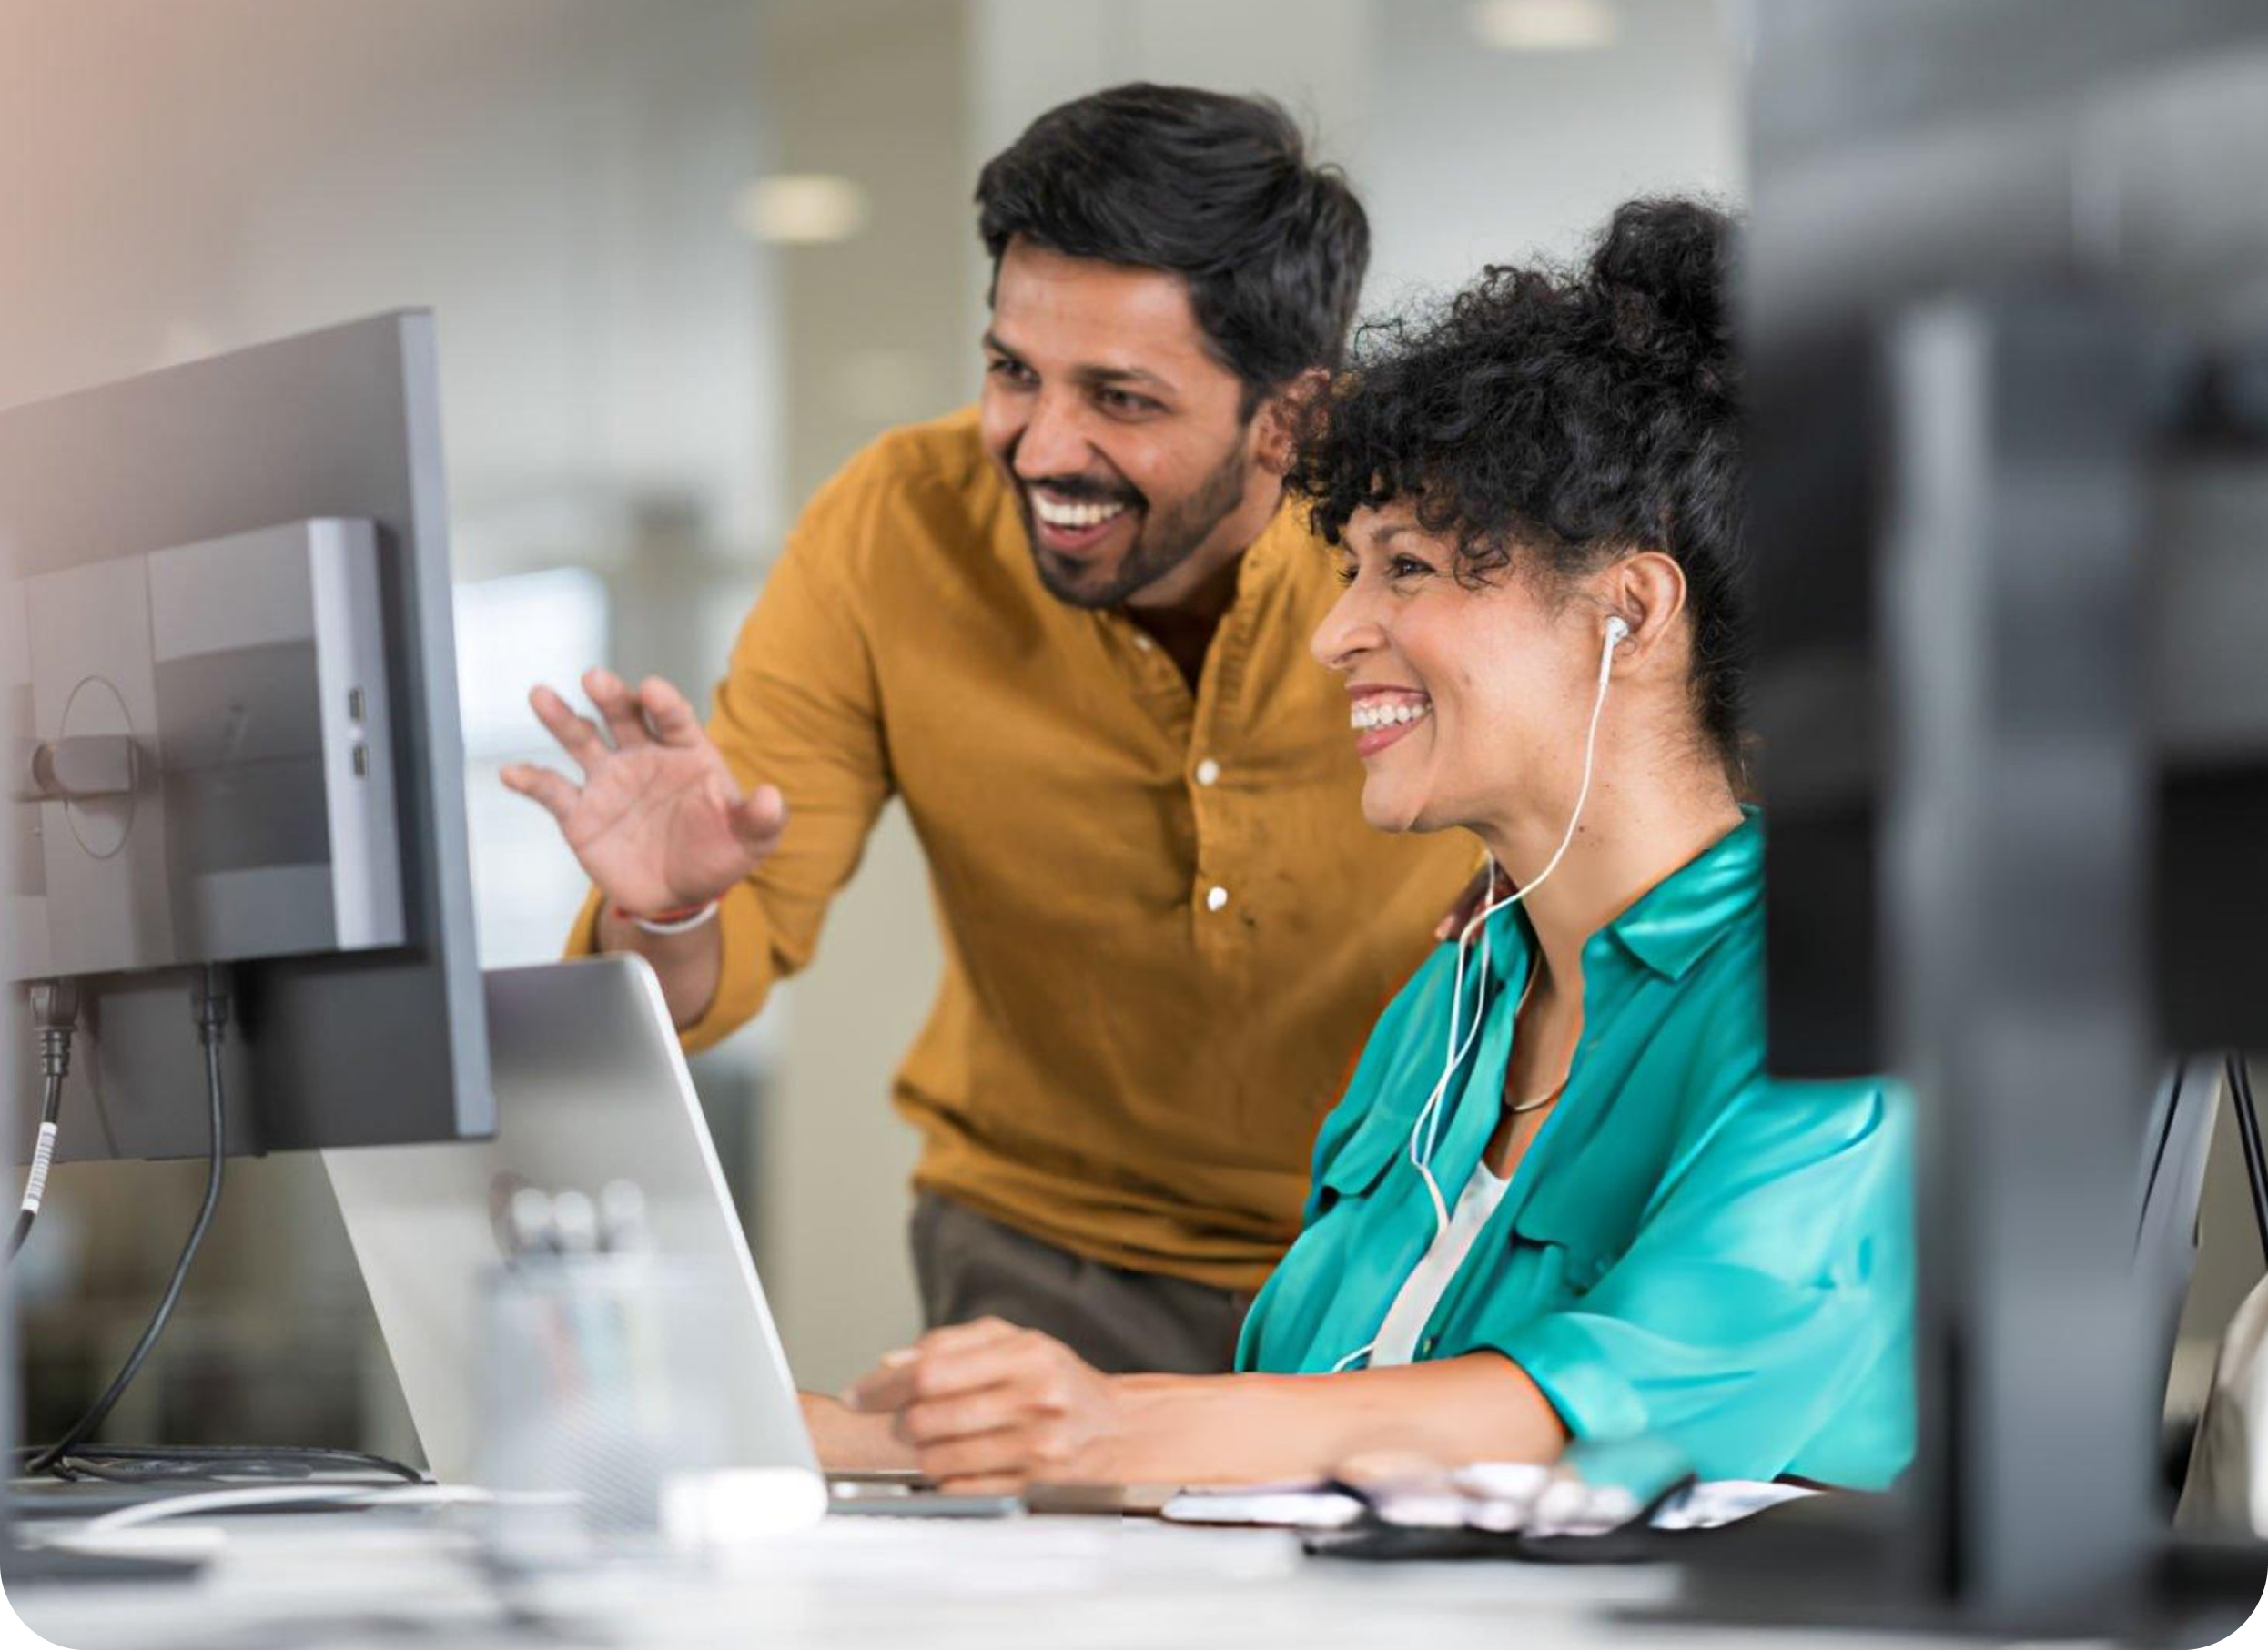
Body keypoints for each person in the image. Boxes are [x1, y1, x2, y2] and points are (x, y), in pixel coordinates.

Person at [839, 198, 1915, 1492]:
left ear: (1630, 611)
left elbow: (1622, 1401)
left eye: (1404, 571)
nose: (1334, 634)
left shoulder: (1838, 982)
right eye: (1351, 569)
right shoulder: (1455, 1000)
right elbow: (1298, 1406)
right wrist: (854, 1439)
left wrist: (1104, 1426)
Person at [501, 85, 1477, 1391]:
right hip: (1047, 1260)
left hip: (1421, 1245)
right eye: (1013, 371)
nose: (1040, 444)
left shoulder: (1446, 549)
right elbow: (727, 956)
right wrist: (671, 915)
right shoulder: (894, 529)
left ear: (1290, 421)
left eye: (1120, 398)